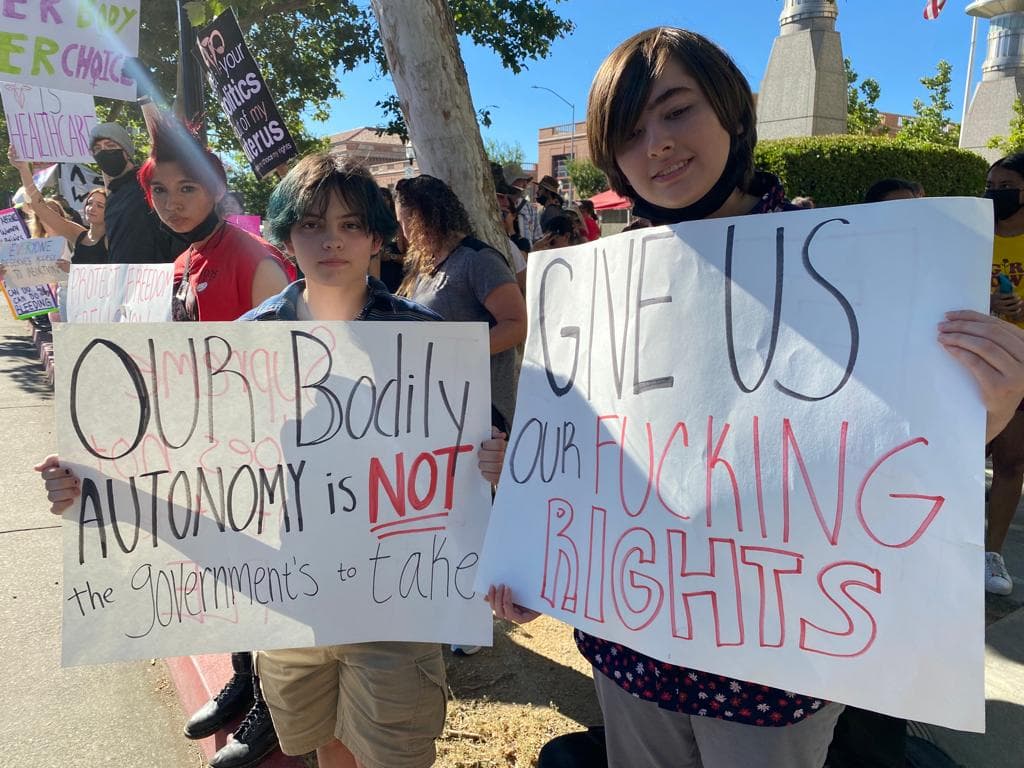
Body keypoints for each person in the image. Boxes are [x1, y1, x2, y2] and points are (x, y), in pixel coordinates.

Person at [487, 26, 1024, 768]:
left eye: (677, 111)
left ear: (733, 115)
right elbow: (596, 454)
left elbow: (894, 444)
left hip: (775, 677)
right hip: (633, 655)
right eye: (630, 131)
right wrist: (532, 525)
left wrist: (984, 409)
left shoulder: (842, 263)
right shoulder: (599, 290)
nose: (658, 145)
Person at [36, 153, 509, 768]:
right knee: (324, 744)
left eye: (349, 225)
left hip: (393, 609)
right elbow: (193, 465)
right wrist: (92, 487)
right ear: (287, 233)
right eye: (312, 224)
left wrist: (496, 464)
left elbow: (481, 455)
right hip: (290, 605)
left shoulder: (426, 341)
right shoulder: (245, 342)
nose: (330, 240)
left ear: (375, 237)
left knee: (394, 754)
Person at [137, 118, 295, 322]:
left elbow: (280, 349)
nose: (170, 204)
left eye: (187, 188)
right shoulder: (180, 263)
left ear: (218, 190)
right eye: (159, 190)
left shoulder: (256, 262)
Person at [984, 153, 1024, 596]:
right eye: (991, 183)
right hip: (974, 359)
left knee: (1012, 461)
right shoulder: (972, 232)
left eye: (1006, 184)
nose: (995, 193)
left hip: (1020, 365)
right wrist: (987, 302)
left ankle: (990, 552)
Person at [89, 120, 186, 264]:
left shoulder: (148, 184)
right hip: (124, 282)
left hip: (157, 279)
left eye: (110, 146)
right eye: (97, 149)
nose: (103, 152)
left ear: (126, 152)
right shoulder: (111, 198)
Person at [9, 146, 108, 265]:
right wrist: (23, 168)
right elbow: (39, 206)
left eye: (100, 206)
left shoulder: (115, 239)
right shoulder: (77, 234)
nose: (92, 208)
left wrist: (72, 271)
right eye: (89, 203)